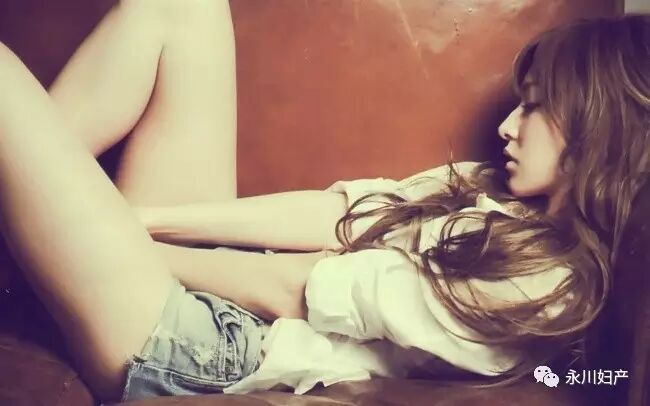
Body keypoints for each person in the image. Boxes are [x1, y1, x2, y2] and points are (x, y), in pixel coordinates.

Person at [0, 0, 647, 402]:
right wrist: (145, 222)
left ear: (599, 126)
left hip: (207, 354)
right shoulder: (492, 189)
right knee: (182, 9)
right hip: (227, 299)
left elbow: (295, 290)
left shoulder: (542, 283)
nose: (508, 126)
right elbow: (341, 216)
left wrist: (111, 238)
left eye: (535, 108)